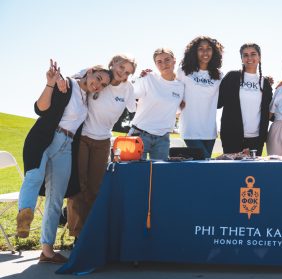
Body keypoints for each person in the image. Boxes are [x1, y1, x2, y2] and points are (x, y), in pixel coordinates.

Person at [16, 60, 111, 263]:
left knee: (56, 198)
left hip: (66, 147)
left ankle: (47, 250)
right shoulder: (66, 85)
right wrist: (51, 83)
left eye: (103, 85)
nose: (98, 85)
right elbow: (40, 109)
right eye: (98, 79)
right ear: (91, 71)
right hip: (45, 139)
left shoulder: (86, 98)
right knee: (34, 176)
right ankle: (25, 216)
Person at [65, 54, 137, 239]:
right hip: (82, 137)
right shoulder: (97, 77)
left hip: (103, 140)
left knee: (96, 188)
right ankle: (77, 235)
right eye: (121, 68)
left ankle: (93, 232)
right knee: (79, 187)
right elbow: (74, 82)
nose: (123, 74)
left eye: (128, 72)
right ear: (113, 63)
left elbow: (136, 107)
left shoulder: (127, 88)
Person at [129, 48, 184, 160]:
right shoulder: (148, 78)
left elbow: (176, 111)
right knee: (135, 173)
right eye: (159, 61)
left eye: (167, 59)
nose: (164, 64)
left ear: (174, 61)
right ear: (155, 64)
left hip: (163, 138)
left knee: (160, 175)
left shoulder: (180, 86)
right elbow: (130, 95)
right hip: (140, 135)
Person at [218, 43, 273, 156]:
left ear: (259, 57)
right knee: (233, 172)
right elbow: (218, 102)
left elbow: (270, 110)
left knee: (253, 173)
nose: (249, 58)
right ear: (242, 59)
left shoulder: (265, 83)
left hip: (256, 139)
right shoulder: (232, 77)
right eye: (245, 55)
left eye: (253, 54)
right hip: (231, 136)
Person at [177, 36, 224, 158]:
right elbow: (169, 86)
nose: (205, 52)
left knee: (204, 166)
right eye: (200, 49)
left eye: (208, 48)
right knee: (204, 161)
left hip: (209, 130)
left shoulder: (219, 75)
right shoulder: (183, 71)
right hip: (190, 129)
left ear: (214, 52)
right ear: (194, 52)